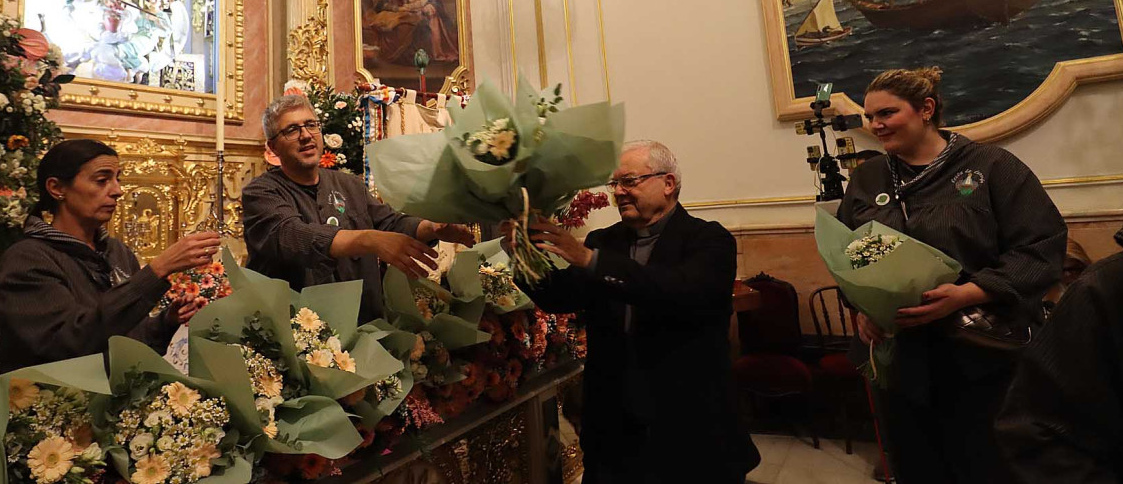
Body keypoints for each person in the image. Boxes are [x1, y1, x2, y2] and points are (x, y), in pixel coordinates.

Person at [837, 67, 1066, 484]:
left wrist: (970, 293)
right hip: (899, 360)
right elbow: (853, 250)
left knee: (985, 466)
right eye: (869, 117)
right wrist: (863, 307)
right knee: (916, 466)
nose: (876, 125)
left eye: (887, 113)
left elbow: (1041, 245)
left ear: (926, 109)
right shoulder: (867, 178)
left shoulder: (992, 166)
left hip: (979, 357)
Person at [513, 140, 760, 484]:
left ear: (668, 183)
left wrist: (590, 260)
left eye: (629, 181)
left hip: (688, 421)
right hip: (614, 424)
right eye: (614, 185)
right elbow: (561, 297)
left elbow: (680, 290)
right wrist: (521, 256)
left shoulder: (709, 240)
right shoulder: (604, 240)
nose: (619, 193)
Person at [241, 94, 476, 323]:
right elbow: (294, 235)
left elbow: (390, 224)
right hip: (300, 335)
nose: (305, 135)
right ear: (273, 147)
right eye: (291, 130)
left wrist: (432, 227)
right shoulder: (261, 193)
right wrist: (369, 240)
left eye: (311, 125)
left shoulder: (348, 184)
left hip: (364, 326)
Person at [0, 139, 221, 373]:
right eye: (102, 180)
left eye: (117, 179)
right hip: (55, 403)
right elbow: (70, 343)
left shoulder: (117, 252)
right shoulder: (27, 260)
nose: (117, 191)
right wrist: (156, 271)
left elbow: (127, 345)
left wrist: (165, 323)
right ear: (57, 188)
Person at [995, 237, 1123, 484]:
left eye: (1071, 271)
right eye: (1061, 273)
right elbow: (1039, 431)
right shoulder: (1108, 289)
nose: (1064, 281)